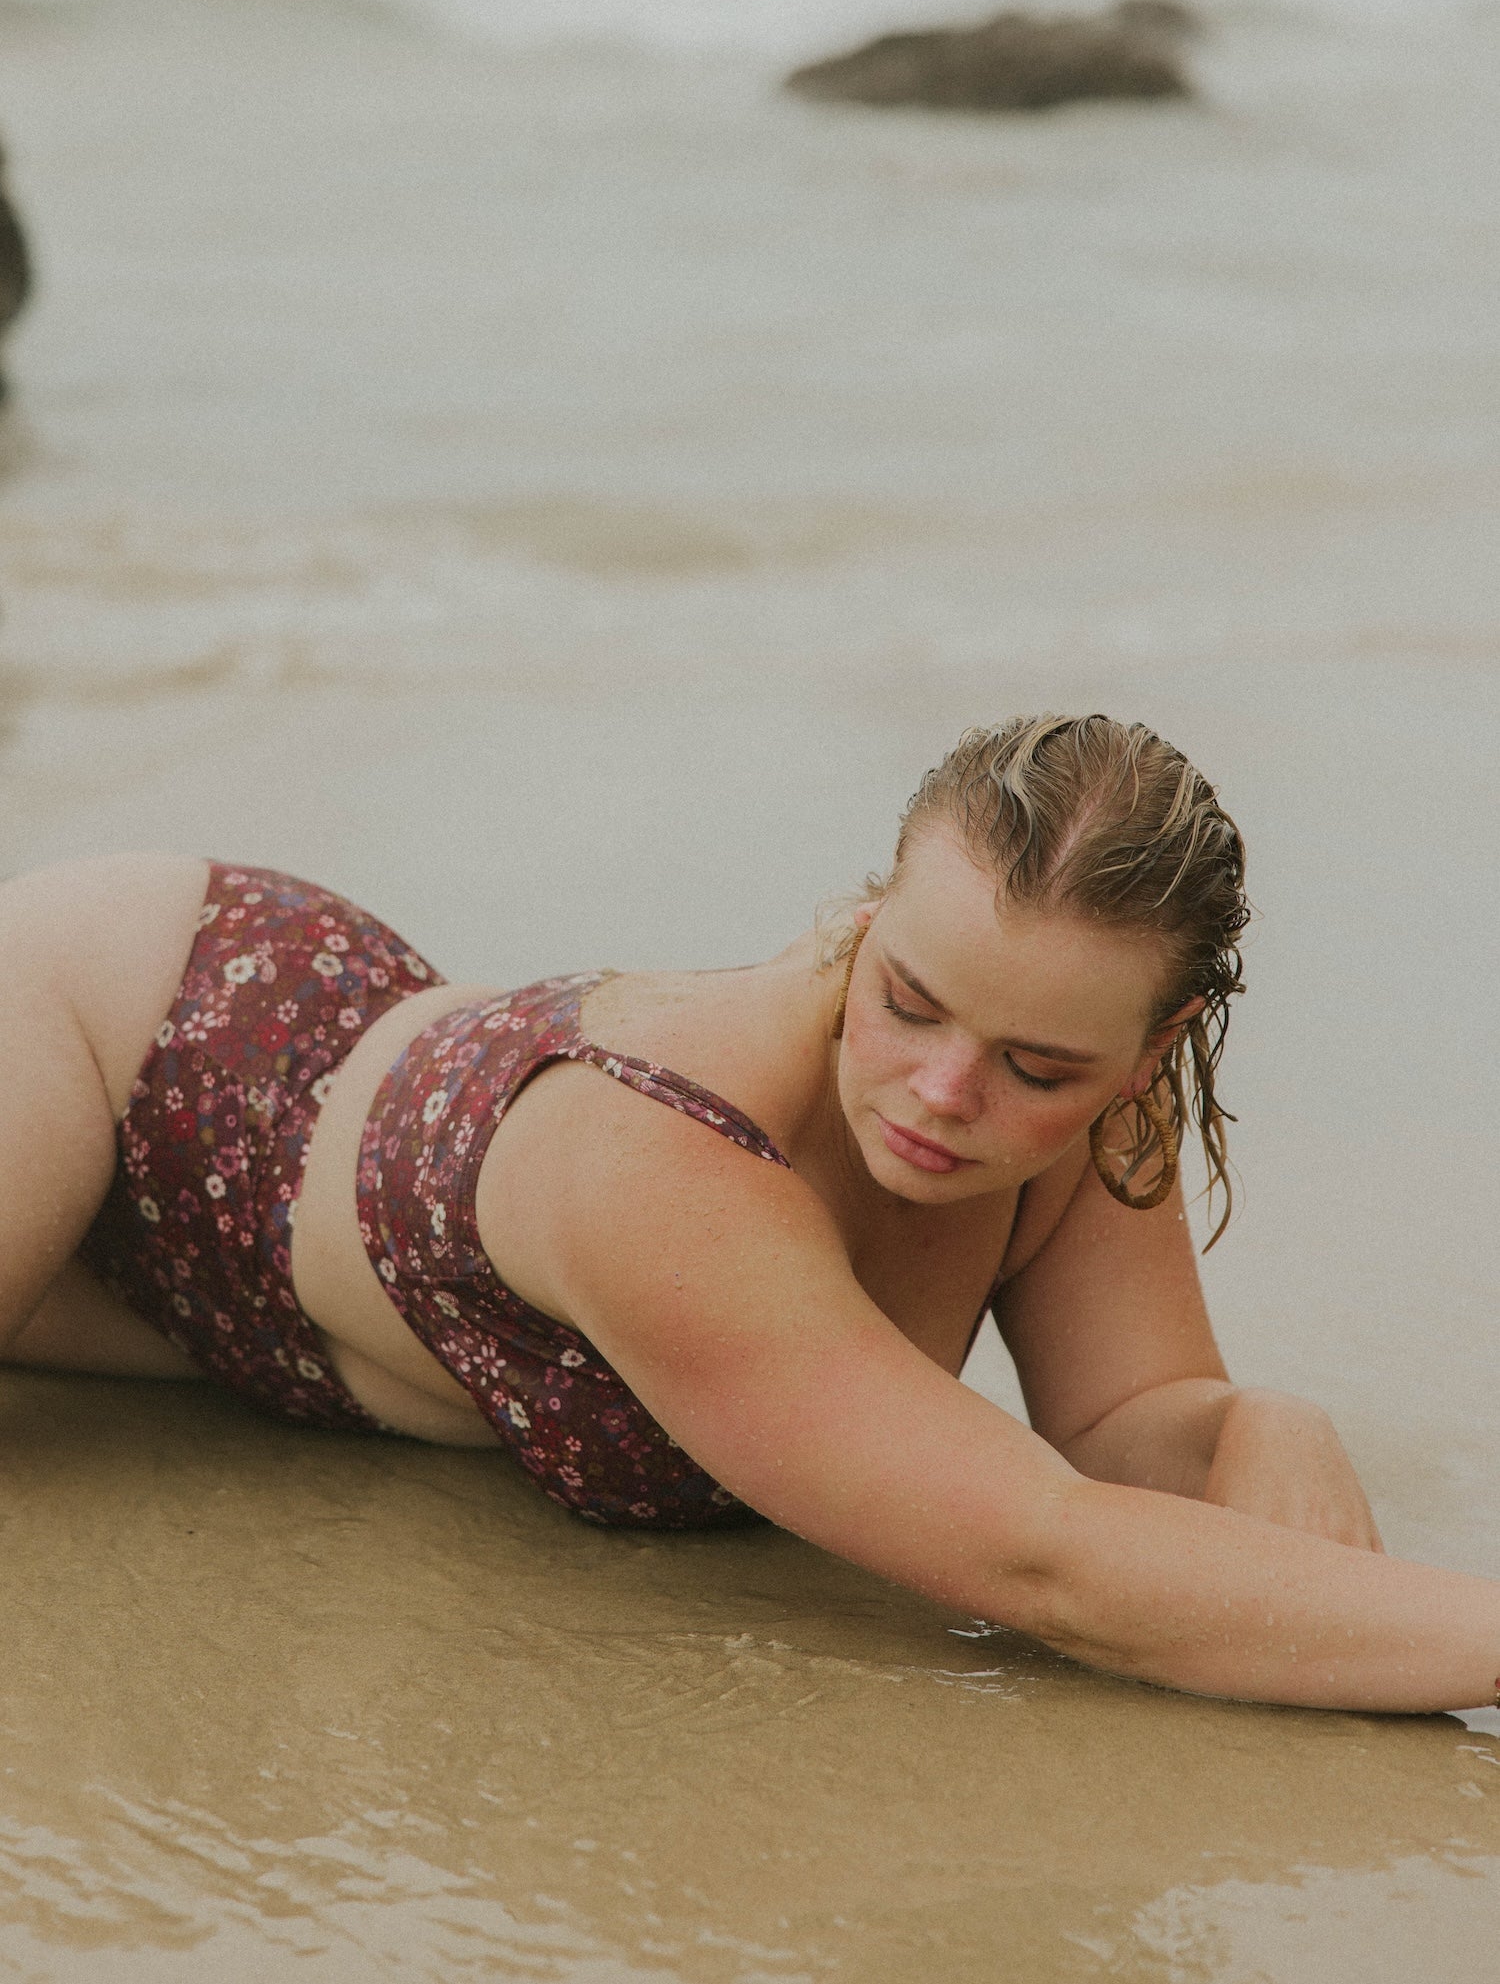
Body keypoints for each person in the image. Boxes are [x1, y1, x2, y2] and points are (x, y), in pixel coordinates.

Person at [4, 714, 1497, 1711]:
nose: (942, 1091)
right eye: (907, 999)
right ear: (864, 916)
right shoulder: (655, 1152)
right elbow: (1050, 1556)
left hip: (219, 1318)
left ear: (1147, 1053)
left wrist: (1263, 1425)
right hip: (132, 1032)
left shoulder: (1106, 1111)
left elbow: (1123, 1425)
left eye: (1038, 1067)